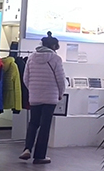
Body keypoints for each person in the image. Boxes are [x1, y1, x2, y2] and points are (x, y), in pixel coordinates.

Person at [19, 31, 66, 165]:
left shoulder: (31, 58)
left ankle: (27, 148)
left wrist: (33, 90)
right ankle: (39, 156)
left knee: (33, 123)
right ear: (54, 46)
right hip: (50, 97)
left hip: (35, 96)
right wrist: (61, 93)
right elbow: (61, 79)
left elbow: (26, 78)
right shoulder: (56, 59)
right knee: (45, 126)